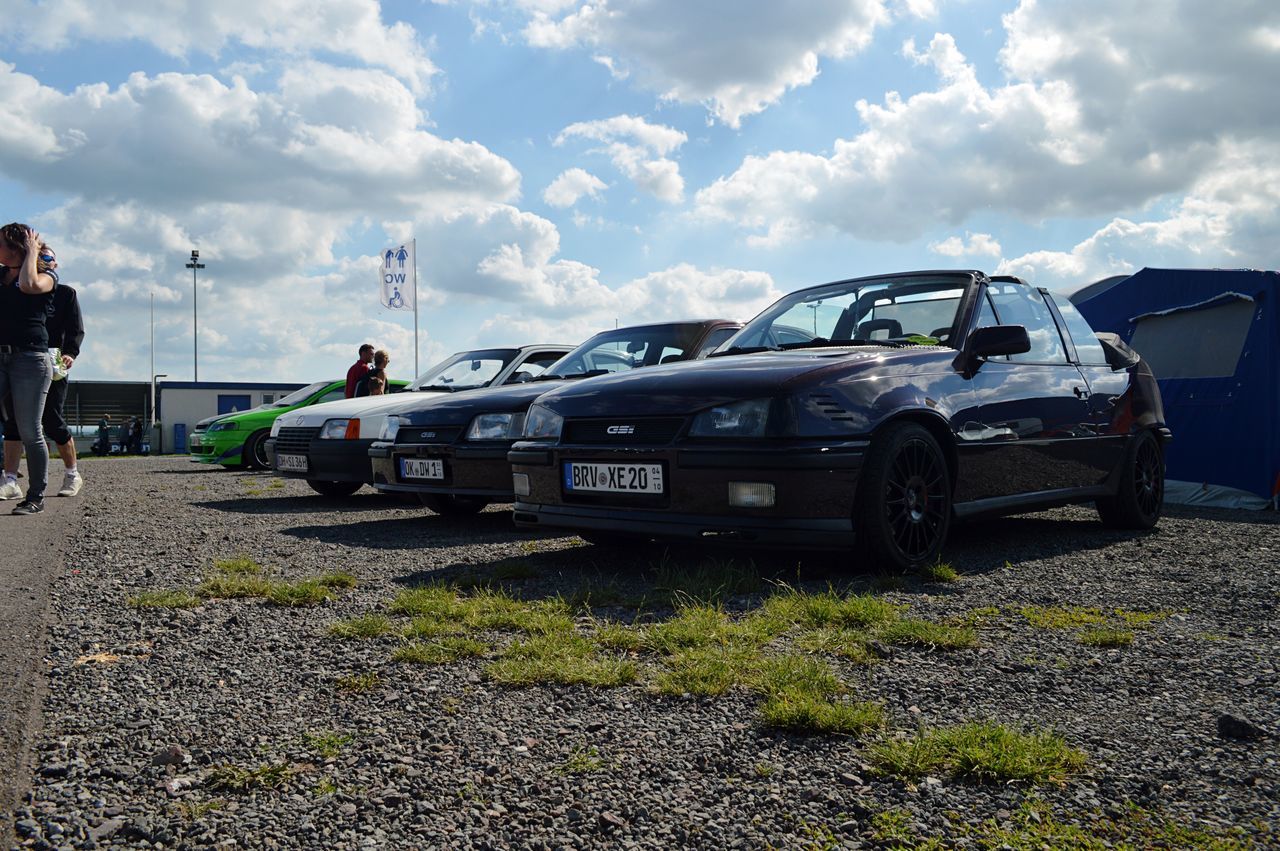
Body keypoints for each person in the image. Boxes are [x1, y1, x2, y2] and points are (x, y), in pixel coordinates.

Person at [1, 271, 85, 497]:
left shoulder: (64, 293)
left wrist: (70, 353)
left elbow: (75, 328)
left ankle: (71, 474)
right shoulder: (19, 288)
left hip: (53, 357)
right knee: (13, 419)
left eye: (49, 259)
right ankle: (10, 479)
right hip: (21, 357)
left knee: (51, 418)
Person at [0, 223, 57, 514]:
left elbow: (28, 286)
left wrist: (34, 252)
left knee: (29, 430)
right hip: (1, 357)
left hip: (31, 360)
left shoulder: (46, 276)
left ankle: (35, 496)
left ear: (16, 248)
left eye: (1, 244)